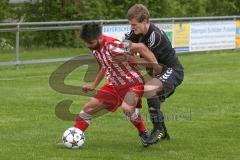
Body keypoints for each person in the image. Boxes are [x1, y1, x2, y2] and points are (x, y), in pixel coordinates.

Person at [72, 22, 159, 147]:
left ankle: (143, 132)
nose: (88, 45)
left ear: (99, 37)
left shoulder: (114, 45)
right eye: (86, 43)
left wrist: (154, 64)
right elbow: (104, 65)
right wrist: (94, 84)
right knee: (87, 109)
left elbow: (140, 47)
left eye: (90, 43)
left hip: (132, 82)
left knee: (127, 108)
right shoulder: (95, 49)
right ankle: (74, 136)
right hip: (114, 84)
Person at [124, 4, 184, 144]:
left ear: (145, 21)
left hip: (172, 71)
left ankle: (158, 130)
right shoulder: (136, 33)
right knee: (154, 99)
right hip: (159, 72)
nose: (132, 27)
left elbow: (152, 62)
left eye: (134, 24)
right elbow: (125, 45)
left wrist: (131, 58)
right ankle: (163, 133)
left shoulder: (154, 35)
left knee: (150, 90)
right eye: (131, 25)